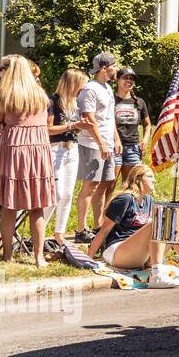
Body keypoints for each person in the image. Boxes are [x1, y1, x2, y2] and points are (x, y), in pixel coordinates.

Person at [0, 55, 54, 265]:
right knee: (37, 206)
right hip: (38, 151)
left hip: (14, 151)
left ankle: (7, 255)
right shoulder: (40, 95)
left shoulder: (5, 96)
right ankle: (38, 257)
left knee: (9, 206)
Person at [87, 165, 179, 287]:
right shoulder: (125, 199)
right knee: (159, 221)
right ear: (137, 179)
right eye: (150, 176)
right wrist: (88, 259)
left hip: (140, 256)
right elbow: (104, 230)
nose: (154, 180)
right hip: (117, 251)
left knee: (172, 224)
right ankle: (156, 276)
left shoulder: (149, 200)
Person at [75, 52, 120, 244]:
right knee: (90, 186)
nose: (116, 69)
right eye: (114, 65)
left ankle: (97, 225)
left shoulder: (107, 88)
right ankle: (80, 229)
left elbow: (109, 117)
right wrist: (101, 143)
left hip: (107, 143)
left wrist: (115, 139)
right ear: (104, 68)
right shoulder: (90, 89)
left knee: (103, 186)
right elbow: (89, 118)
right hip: (92, 143)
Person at [45, 68, 88, 249]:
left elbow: (75, 127)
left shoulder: (76, 103)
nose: (83, 90)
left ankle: (59, 234)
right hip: (56, 150)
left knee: (68, 194)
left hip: (72, 149)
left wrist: (80, 126)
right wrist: (72, 125)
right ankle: (37, 231)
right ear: (73, 84)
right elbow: (47, 129)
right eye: (81, 86)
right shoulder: (52, 100)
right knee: (57, 194)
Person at [113, 67, 151, 185]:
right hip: (114, 147)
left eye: (132, 79)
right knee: (109, 184)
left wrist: (145, 140)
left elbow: (147, 124)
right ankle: (107, 204)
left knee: (130, 184)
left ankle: (125, 204)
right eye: (125, 78)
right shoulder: (110, 99)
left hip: (133, 147)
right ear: (117, 79)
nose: (129, 81)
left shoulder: (139, 102)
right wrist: (116, 140)